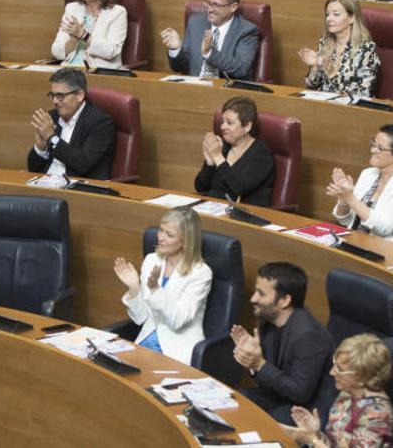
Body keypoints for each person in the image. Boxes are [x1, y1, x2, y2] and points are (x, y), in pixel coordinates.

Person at [230, 262, 334, 423]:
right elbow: (268, 382)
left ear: (284, 300)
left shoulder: (309, 336)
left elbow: (300, 393)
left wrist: (259, 364)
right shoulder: (268, 321)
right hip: (278, 399)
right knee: (232, 401)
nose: (253, 298)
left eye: (261, 294)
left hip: (305, 410)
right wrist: (252, 363)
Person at [113, 207, 213, 365]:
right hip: (146, 341)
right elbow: (141, 318)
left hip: (176, 348)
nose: (161, 237)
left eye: (169, 234)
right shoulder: (152, 260)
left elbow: (178, 321)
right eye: (161, 230)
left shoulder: (200, 273)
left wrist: (155, 290)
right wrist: (134, 288)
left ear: (186, 240)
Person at [282, 334, 393, 448]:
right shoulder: (347, 393)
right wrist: (314, 432)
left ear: (363, 377)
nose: (332, 372)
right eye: (334, 365)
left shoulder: (378, 417)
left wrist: (313, 440)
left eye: (340, 370)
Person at [328, 125, 393, 243]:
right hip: (357, 242)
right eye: (373, 144)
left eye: (379, 148)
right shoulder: (368, 174)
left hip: (392, 251)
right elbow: (346, 221)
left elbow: (384, 228)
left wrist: (351, 198)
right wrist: (343, 198)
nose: (372, 150)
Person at [26, 68, 117, 180]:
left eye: (60, 96)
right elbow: (33, 168)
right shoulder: (52, 117)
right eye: (52, 95)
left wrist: (52, 138)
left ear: (79, 95)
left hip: (79, 189)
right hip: (46, 183)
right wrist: (41, 147)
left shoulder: (100, 123)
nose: (54, 101)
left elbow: (83, 164)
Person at [160, 0, 260, 80]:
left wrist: (209, 53)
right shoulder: (196, 22)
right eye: (208, 3)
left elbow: (241, 68)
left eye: (216, 5)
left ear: (233, 7)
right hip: (194, 87)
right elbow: (180, 67)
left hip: (226, 90)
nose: (209, 9)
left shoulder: (247, 30)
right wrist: (176, 49)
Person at [195, 96, 276, 207]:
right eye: (222, 122)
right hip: (213, 208)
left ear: (247, 126)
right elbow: (200, 188)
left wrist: (218, 157)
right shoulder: (223, 147)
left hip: (244, 215)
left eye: (229, 123)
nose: (223, 127)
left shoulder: (261, 154)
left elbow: (239, 188)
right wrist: (209, 163)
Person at [299, 0, 380, 97]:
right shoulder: (325, 42)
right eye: (327, 14)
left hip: (350, 110)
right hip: (324, 105)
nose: (329, 19)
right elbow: (311, 86)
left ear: (352, 18)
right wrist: (314, 65)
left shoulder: (366, 49)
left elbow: (362, 92)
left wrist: (332, 74)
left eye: (336, 14)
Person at [51, 0, 128, 69]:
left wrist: (82, 34)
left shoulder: (117, 13)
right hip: (69, 70)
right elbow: (56, 51)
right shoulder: (72, 8)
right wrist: (73, 41)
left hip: (100, 72)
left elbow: (112, 51)